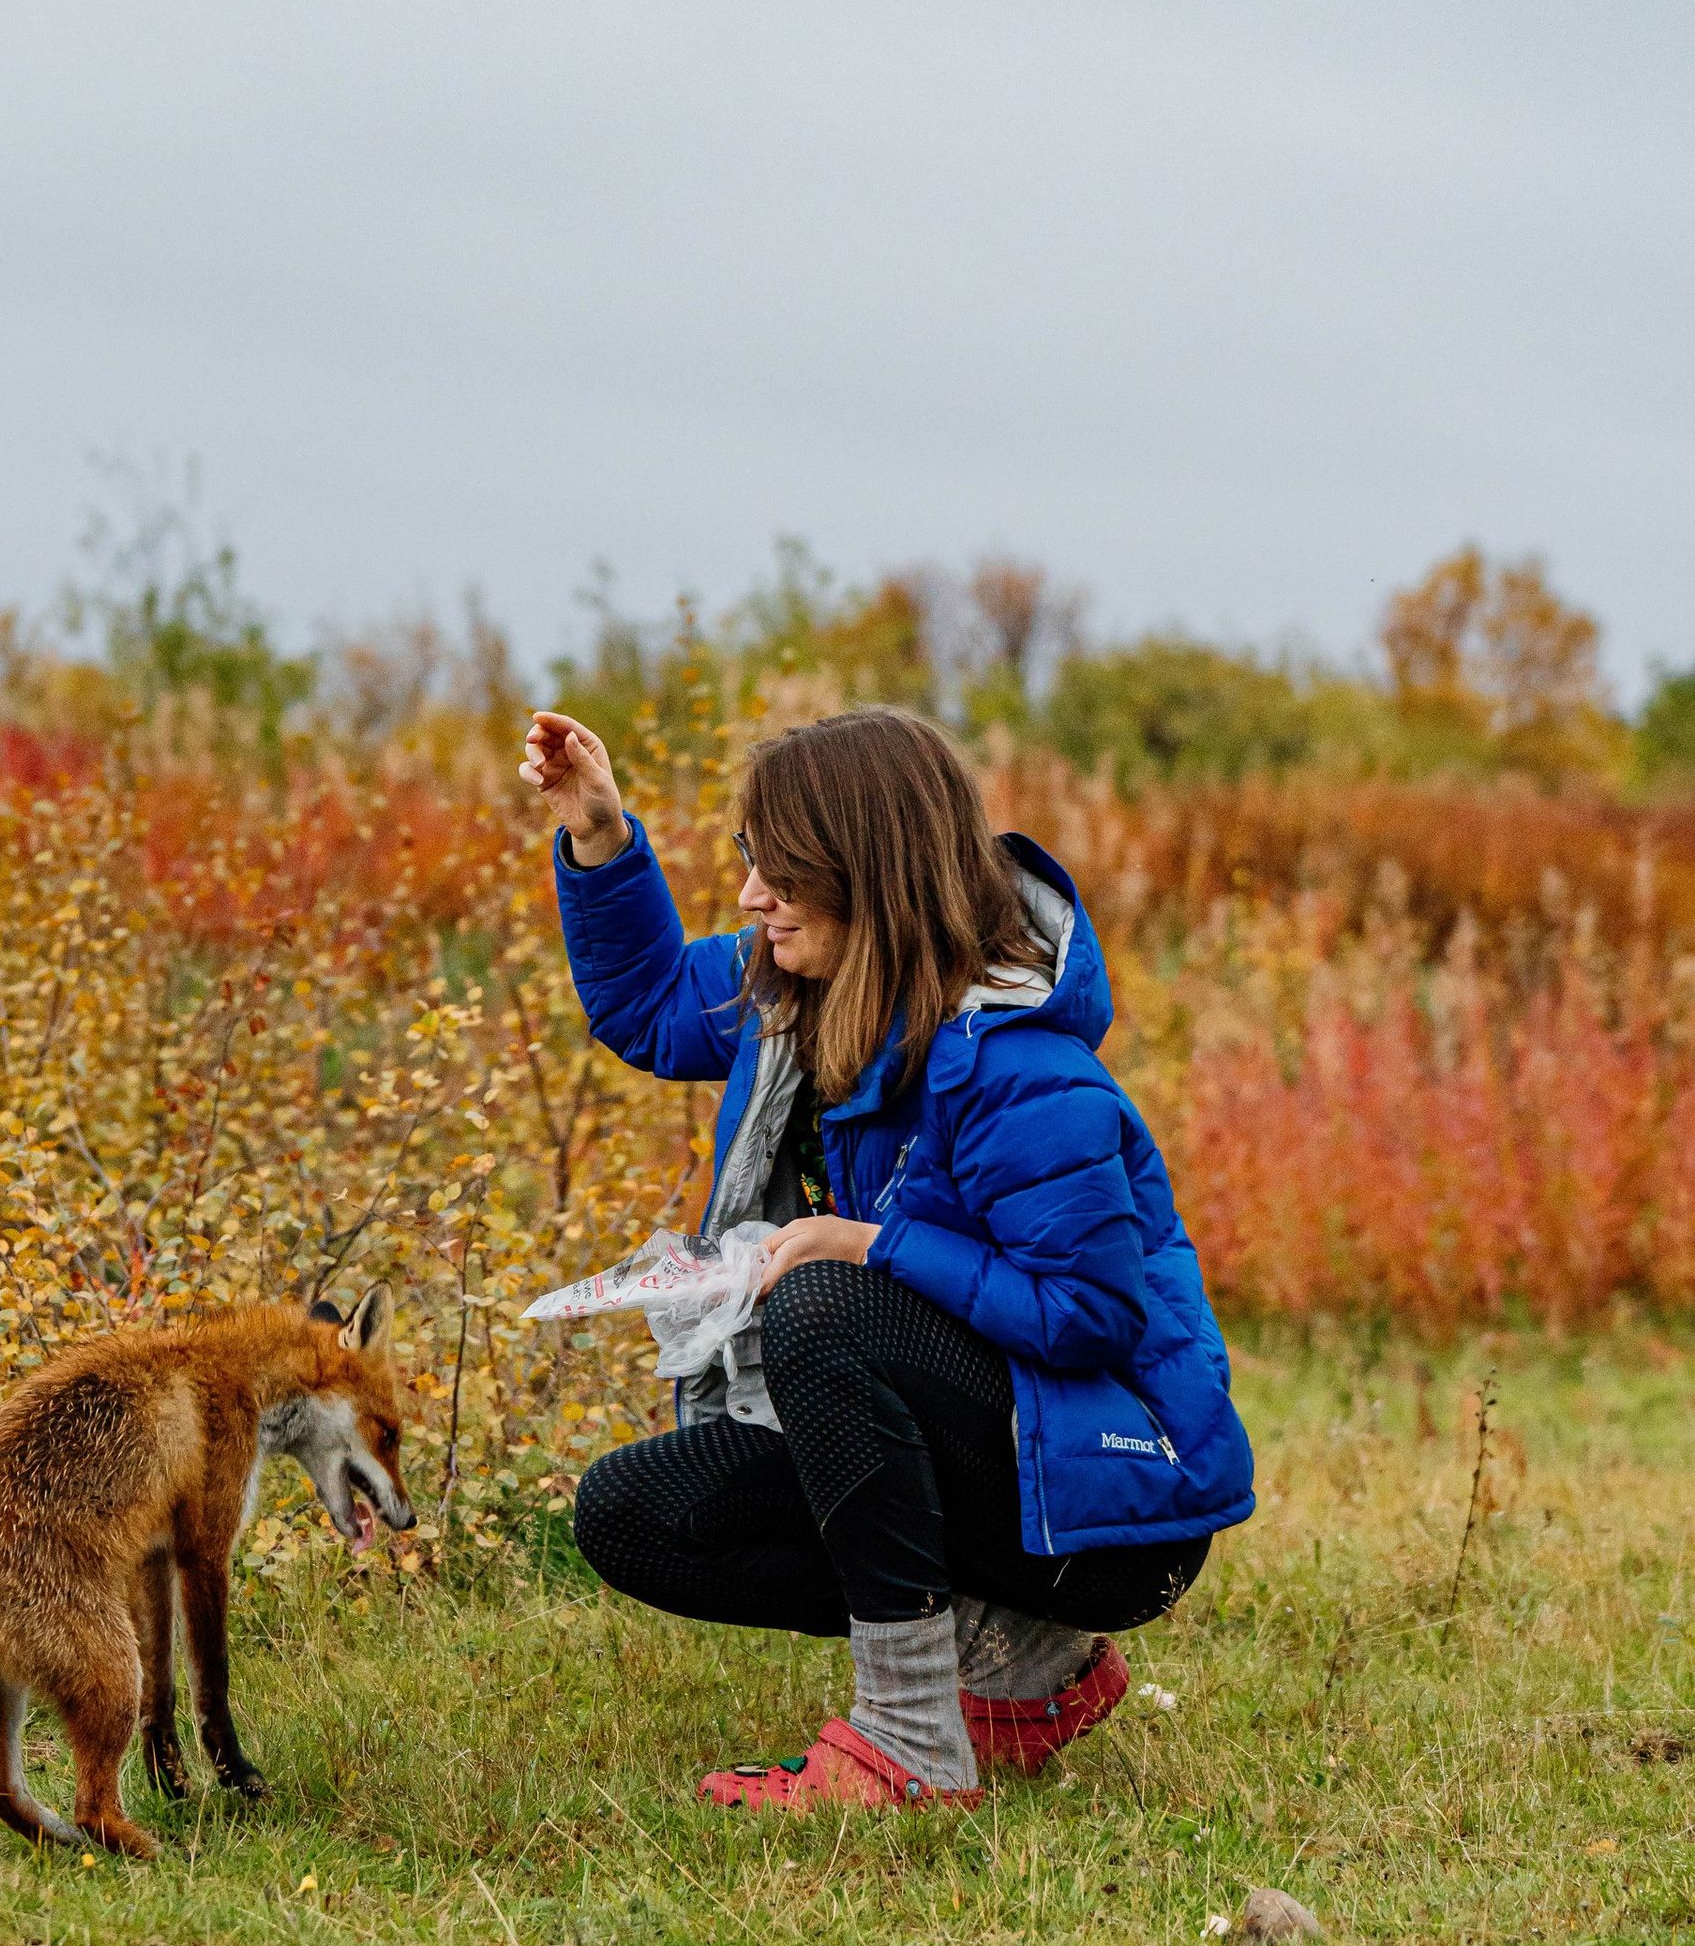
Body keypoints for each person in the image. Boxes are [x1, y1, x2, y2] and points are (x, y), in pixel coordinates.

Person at [522, 701, 1253, 1812]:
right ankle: (1023, 1670)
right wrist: (599, 836)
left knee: (826, 1303)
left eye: (781, 870)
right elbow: (650, 1006)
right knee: (637, 1511)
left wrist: (872, 1245)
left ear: (866, 873)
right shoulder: (797, 1000)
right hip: (994, 1460)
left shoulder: (1017, 1068)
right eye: (750, 857)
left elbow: (1091, 1315)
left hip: (1109, 1508)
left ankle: (910, 1744)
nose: (751, 895)